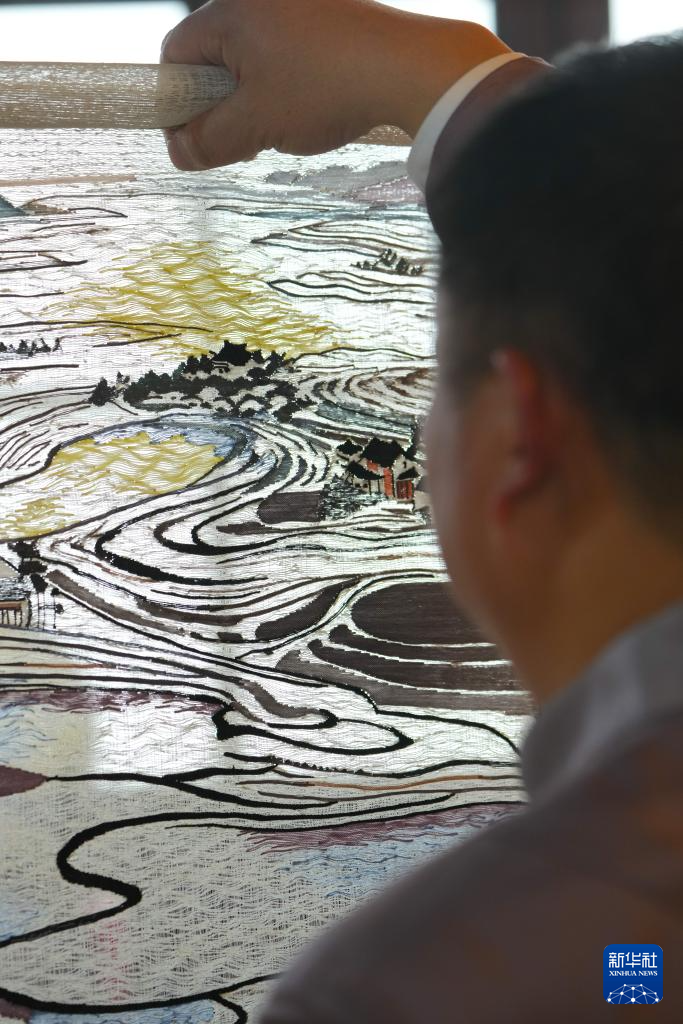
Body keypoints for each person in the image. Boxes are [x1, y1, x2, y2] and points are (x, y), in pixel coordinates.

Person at [162, 2, 683, 1019]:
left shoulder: (418, 987)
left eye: (435, 382)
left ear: (517, 435)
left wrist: (435, 73)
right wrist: (440, 77)